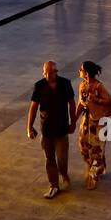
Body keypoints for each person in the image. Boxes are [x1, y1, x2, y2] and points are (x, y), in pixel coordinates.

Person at [27, 61, 75, 198]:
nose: (48, 75)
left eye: (51, 72)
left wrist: (73, 123)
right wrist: (29, 127)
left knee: (62, 159)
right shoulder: (40, 86)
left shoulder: (65, 84)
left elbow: (72, 104)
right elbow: (33, 107)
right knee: (49, 159)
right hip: (46, 129)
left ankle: (64, 174)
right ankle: (54, 184)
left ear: (56, 72)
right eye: (46, 73)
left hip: (62, 128)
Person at [73, 61, 111, 189]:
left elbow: (109, 100)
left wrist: (96, 100)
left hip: (101, 122)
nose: (79, 71)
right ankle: (94, 165)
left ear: (86, 72)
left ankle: (93, 176)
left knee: (97, 149)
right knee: (83, 145)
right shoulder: (82, 85)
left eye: (81, 69)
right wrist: (73, 120)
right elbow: (80, 103)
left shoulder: (98, 86)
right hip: (86, 121)